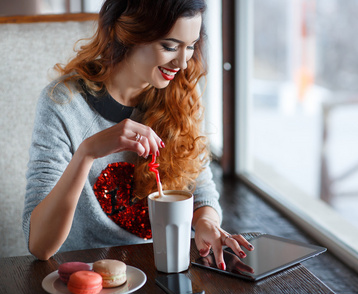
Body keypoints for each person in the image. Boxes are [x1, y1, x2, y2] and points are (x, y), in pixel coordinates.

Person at [23, 0, 253, 270]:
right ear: (128, 36)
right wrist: (87, 153)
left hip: (162, 270)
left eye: (190, 46)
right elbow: (39, 246)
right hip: (88, 274)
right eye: (169, 46)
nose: (182, 62)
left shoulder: (182, 96)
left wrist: (206, 222)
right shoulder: (63, 104)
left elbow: (200, 189)